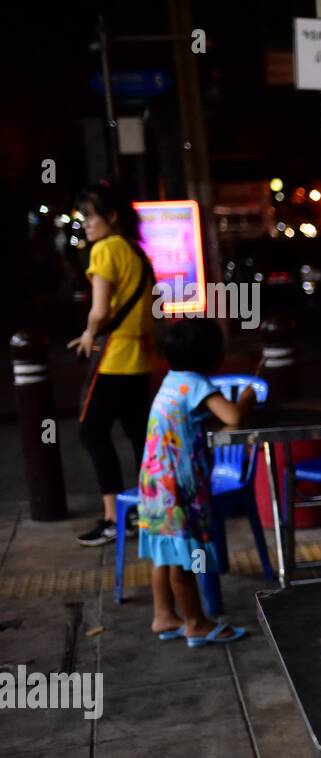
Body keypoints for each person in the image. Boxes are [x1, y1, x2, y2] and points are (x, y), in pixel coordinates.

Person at [139, 319, 256, 648]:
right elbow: (232, 416)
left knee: (164, 551)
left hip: (154, 482)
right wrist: (247, 398)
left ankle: (164, 615)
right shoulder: (198, 385)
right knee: (185, 554)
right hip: (179, 485)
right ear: (210, 355)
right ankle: (196, 622)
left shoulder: (172, 381)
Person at [68, 182, 156, 546]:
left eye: (90, 216)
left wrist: (89, 333)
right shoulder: (138, 253)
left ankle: (112, 518)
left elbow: (100, 310)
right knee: (138, 436)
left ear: (112, 216)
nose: (85, 224)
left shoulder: (104, 250)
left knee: (91, 432)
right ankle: (145, 510)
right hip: (141, 359)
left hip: (115, 358)